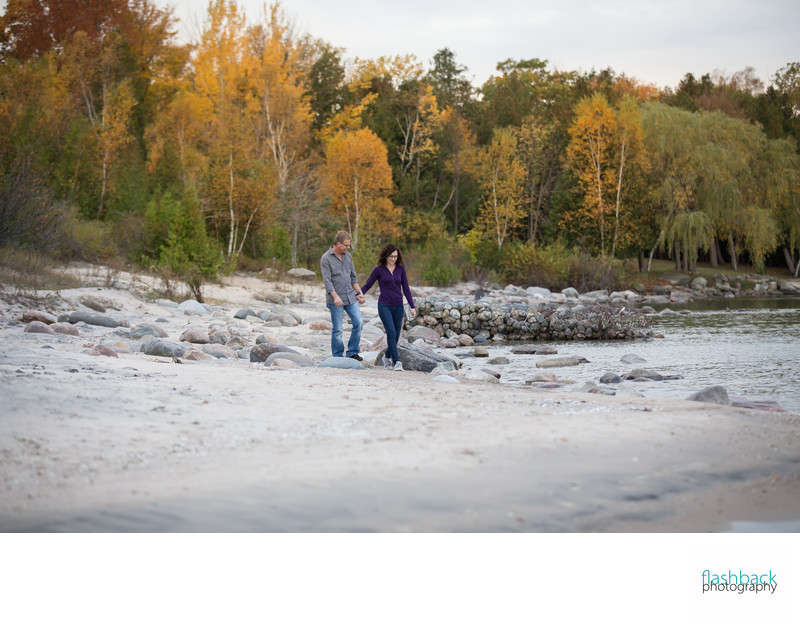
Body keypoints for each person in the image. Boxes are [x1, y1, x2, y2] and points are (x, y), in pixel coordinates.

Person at [360, 243, 416, 371]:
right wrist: (359, 294)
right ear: (386, 256)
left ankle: (386, 356)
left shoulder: (400, 269)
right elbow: (368, 284)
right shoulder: (379, 270)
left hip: (398, 306)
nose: (393, 259)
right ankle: (397, 362)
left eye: (395, 256)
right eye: (391, 256)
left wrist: (412, 306)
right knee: (390, 332)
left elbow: (406, 289)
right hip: (384, 305)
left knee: (396, 335)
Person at [320, 230, 366, 361]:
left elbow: (353, 277)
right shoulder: (325, 258)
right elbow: (327, 281)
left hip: (350, 297)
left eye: (349, 245)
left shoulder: (348, 256)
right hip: (335, 299)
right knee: (338, 329)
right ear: (338, 244)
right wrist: (335, 297)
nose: (348, 247)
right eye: (346, 245)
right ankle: (338, 356)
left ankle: (352, 351)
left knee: (358, 323)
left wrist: (359, 293)